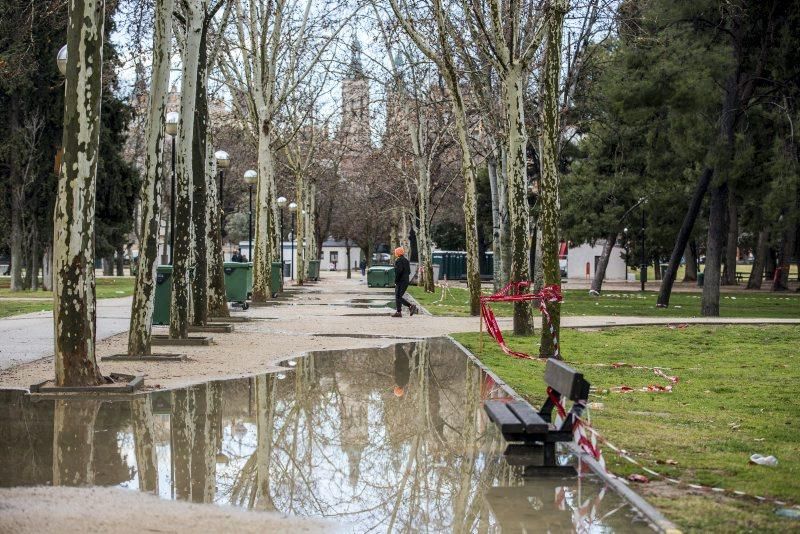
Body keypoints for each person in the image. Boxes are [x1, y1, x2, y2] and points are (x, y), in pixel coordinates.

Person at [391, 247, 418, 318]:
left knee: (398, 297)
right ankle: (399, 312)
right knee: (398, 296)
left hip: (400, 281)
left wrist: (396, 281)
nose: (395, 253)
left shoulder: (398, 260)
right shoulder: (406, 260)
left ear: (397, 253)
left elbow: (398, 272)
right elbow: (409, 271)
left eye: (395, 252)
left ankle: (411, 306)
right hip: (405, 281)